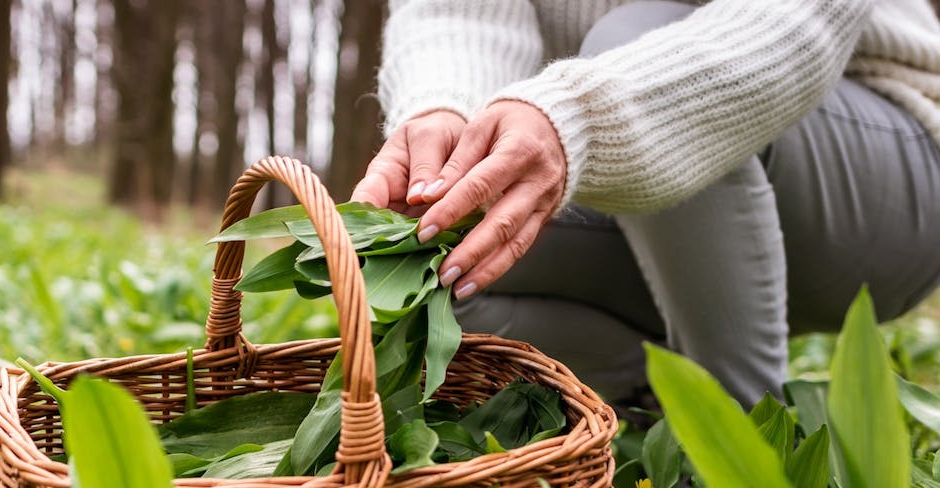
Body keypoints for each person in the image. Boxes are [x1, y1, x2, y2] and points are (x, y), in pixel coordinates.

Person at [352, 0, 940, 408]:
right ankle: (656, 402)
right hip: (637, 198)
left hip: (882, 178)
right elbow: (456, 15)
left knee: (632, 33)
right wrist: (446, 115)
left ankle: (738, 447)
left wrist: (578, 117)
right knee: (436, 262)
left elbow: (796, 23)